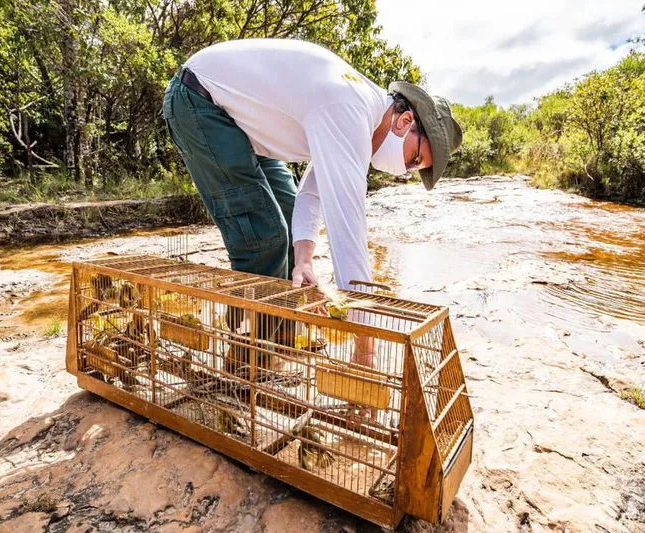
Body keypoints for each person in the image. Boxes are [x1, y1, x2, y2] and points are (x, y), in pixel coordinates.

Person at [162, 38, 463, 369]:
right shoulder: (348, 110)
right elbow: (347, 229)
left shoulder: (357, 116)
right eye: (414, 160)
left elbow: (309, 195)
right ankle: (243, 361)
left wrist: (304, 261)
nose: (404, 170)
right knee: (265, 238)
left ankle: (278, 341)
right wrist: (365, 348)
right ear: (405, 122)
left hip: (243, 125)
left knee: (291, 228)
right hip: (200, 102)